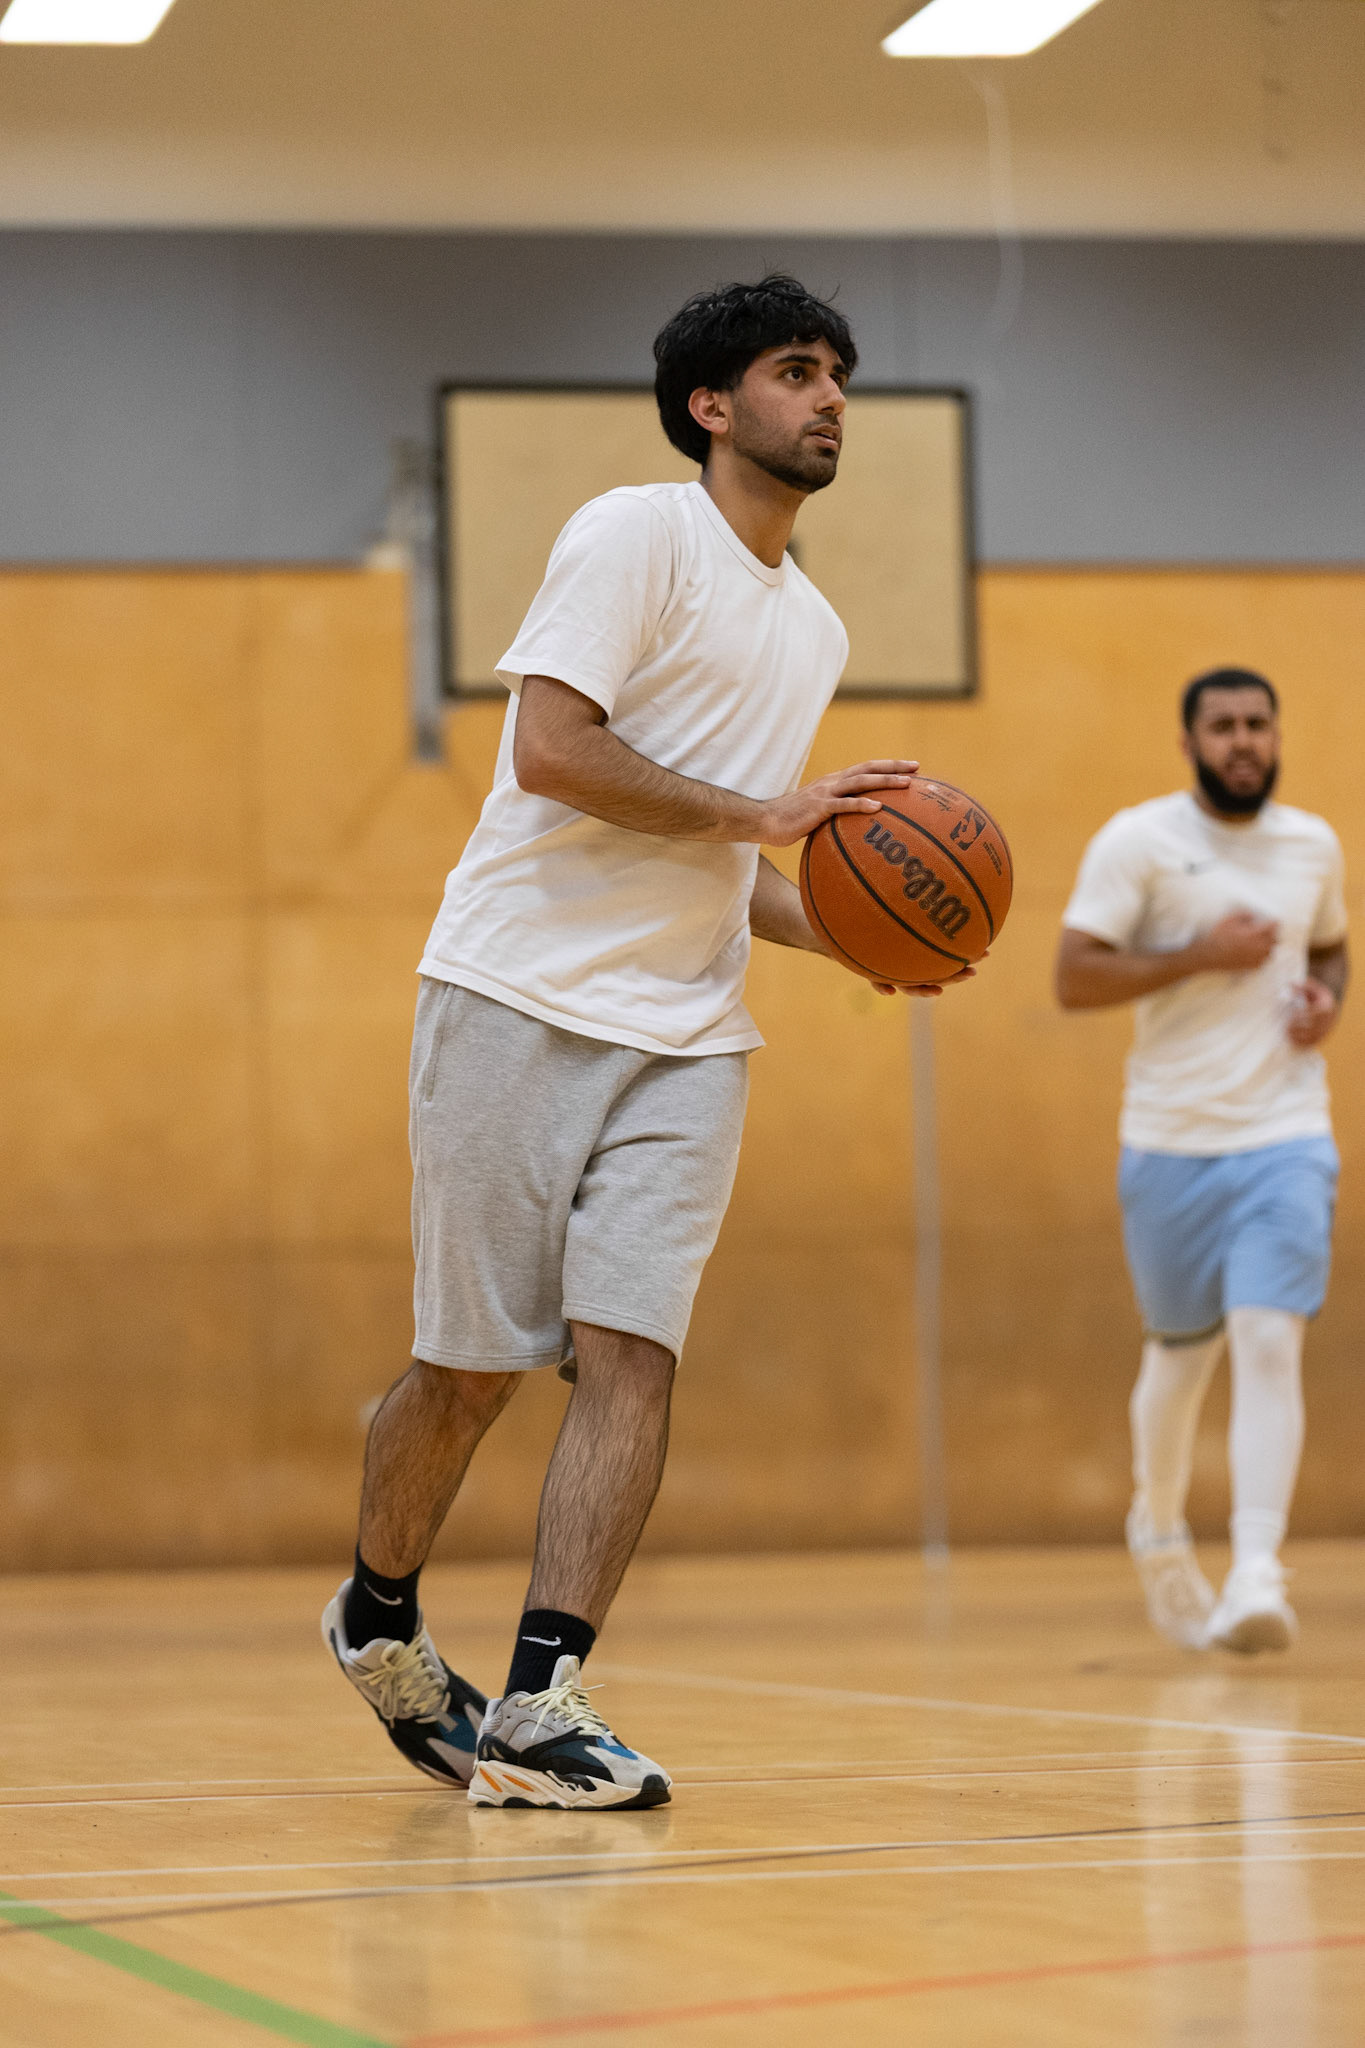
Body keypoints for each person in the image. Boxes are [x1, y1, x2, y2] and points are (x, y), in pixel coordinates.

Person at [322, 274, 974, 1809]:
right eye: (797, 370)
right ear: (711, 404)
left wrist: (855, 936)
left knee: (632, 1357)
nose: (830, 397)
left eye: (839, 375)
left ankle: (541, 1703)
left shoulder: (812, 625)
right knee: (468, 1374)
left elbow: (726, 866)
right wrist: (767, 815)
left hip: (687, 1032)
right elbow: (554, 752)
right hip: (514, 995)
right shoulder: (635, 536)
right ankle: (377, 1612)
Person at [1056, 669, 1348, 1654]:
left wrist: (1325, 1000)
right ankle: (1157, 1527)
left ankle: (1258, 1568)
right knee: (1180, 1354)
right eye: (1222, 726)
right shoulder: (1138, 841)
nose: (1242, 740)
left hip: (1285, 1133)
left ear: (1276, 734)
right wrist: (1199, 955)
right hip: (1171, 1138)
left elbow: (1331, 948)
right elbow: (1073, 976)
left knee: (1267, 1338)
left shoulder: (1312, 844)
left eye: (1257, 723)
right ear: (1188, 743)